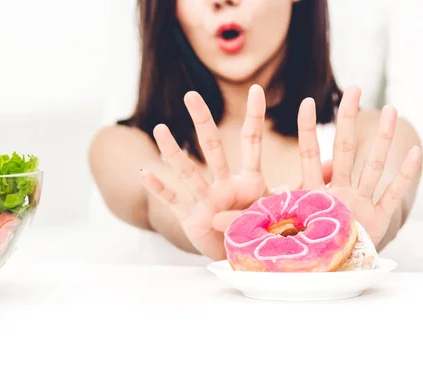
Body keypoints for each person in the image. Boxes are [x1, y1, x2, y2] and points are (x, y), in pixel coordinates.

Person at [89, 0, 421, 261]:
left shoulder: (378, 134)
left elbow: (385, 204)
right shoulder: (122, 146)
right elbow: (159, 201)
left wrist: (347, 231)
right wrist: (235, 232)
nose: (221, 1)